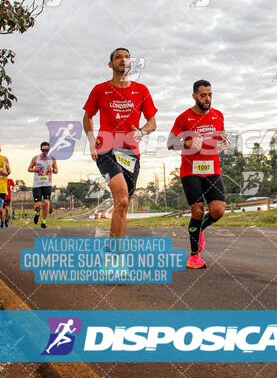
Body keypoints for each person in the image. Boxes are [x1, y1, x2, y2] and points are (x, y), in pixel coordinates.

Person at [83, 47, 157, 237]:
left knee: (122, 204)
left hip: (130, 154)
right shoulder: (100, 90)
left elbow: (152, 123)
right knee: (122, 200)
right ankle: (117, 253)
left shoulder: (141, 91)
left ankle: (113, 243)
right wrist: (91, 141)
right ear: (110, 64)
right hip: (106, 150)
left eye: (126, 57)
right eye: (118, 57)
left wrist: (141, 131)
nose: (123, 60)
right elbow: (88, 116)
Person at [168, 80, 229, 269]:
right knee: (197, 211)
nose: (207, 98)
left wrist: (223, 141)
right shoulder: (184, 117)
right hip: (190, 171)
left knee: (218, 211)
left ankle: (199, 228)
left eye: (210, 94)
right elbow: (170, 143)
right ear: (194, 96)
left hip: (212, 170)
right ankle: (194, 256)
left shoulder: (218, 115)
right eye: (203, 95)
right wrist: (185, 144)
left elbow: (222, 135)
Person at [28, 142, 58, 228]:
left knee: (46, 203)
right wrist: (35, 169)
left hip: (47, 184)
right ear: (41, 149)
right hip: (37, 185)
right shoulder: (35, 158)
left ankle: (43, 222)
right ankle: (37, 214)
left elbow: (56, 171)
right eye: (43, 150)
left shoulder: (52, 159)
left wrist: (52, 169)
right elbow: (29, 169)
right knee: (37, 205)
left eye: (47, 150)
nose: (45, 152)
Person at [0, 147, 11, 217]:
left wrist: (6, 173)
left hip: (2, 188)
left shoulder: (4, 159)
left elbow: (9, 171)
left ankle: (4, 220)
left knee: (0, 208)